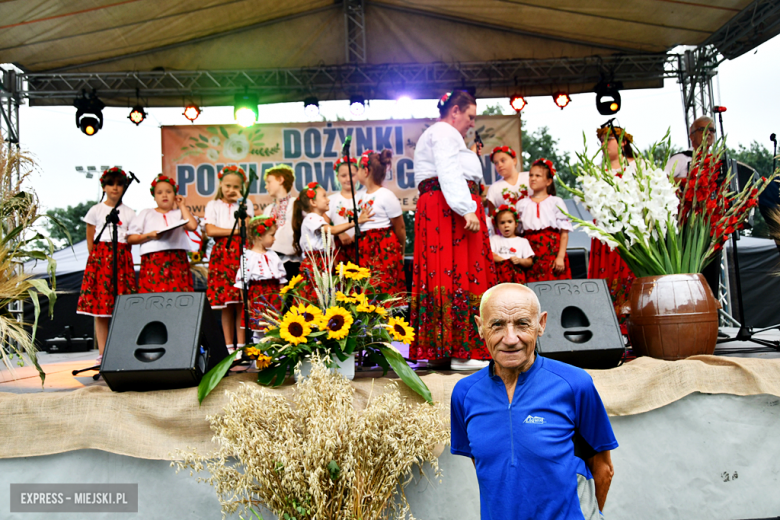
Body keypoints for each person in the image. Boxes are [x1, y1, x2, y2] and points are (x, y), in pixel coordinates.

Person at [451, 283, 618, 520]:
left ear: (541, 324)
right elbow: (487, 468)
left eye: (522, 324)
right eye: (497, 325)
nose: (510, 339)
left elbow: (604, 469)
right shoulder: (465, 394)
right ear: (480, 327)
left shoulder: (575, 384)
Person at [410, 90, 498, 371]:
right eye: (470, 116)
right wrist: (465, 208)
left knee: (441, 272)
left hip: (441, 206)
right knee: (459, 270)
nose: (472, 123)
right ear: (455, 110)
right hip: (448, 211)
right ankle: (461, 351)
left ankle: (442, 348)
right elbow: (448, 169)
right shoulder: (445, 131)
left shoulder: (442, 134)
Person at [76, 167, 137, 361]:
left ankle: (122, 350)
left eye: (120, 184)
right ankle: (102, 353)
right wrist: (95, 258)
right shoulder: (96, 210)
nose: (115, 188)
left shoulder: (129, 212)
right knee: (101, 310)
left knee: (122, 308)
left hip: (122, 258)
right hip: (101, 258)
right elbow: (90, 235)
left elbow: (132, 235)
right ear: (104, 186)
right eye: (111, 183)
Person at [665, 117, 721, 298]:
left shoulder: (717, 161)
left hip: (710, 227)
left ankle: (712, 316)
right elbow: (663, 181)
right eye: (704, 130)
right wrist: (691, 183)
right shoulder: (681, 158)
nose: (709, 134)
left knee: (711, 276)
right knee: (689, 274)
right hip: (687, 226)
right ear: (692, 135)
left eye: (712, 130)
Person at [291, 182, 372, 302]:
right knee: (315, 294)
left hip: (324, 261)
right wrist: (356, 221)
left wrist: (335, 267)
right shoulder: (311, 218)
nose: (327, 199)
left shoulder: (319, 219)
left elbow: (328, 247)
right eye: (323, 196)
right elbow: (332, 231)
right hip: (316, 263)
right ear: (313, 202)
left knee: (327, 295)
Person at [589, 126, 637, 330]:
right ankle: (607, 328)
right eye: (600, 141)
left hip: (630, 228)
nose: (603, 145)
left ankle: (631, 325)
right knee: (606, 274)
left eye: (607, 140)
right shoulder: (598, 170)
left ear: (623, 142)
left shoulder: (637, 166)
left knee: (629, 272)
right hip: (606, 229)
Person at [203, 165, 255, 352]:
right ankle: (228, 347)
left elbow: (248, 228)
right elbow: (211, 230)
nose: (231, 190)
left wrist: (241, 203)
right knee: (227, 303)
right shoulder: (213, 205)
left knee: (241, 301)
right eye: (228, 186)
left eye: (235, 187)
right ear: (221, 185)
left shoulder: (245, 204)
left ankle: (241, 346)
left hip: (241, 252)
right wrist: (233, 233)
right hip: (222, 253)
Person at [128, 174, 198, 293]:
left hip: (177, 258)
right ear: (154, 197)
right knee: (154, 294)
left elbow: (192, 226)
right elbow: (131, 238)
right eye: (159, 192)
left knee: (178, 293)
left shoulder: (179, 213)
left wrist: (182, 205)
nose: (164, 195)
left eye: (169, 192)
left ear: (175, 195)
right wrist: (150, 235)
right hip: (154, 260)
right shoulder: (146, 213)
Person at [355, 148, 406, 296]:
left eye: (358, 168)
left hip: (383, 246)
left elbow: (400, 227)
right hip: (364, 245)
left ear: (365, 171)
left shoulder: (386, 195)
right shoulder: (360, 196)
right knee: (367, 287)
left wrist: (400, 251)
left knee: (384, 284)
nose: (356, 172)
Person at [517, 158, 572, 282]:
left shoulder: (556, 202)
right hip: (530, 250)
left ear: (548, 181)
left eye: (538, 175)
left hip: (552, 251)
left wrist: (560, 257)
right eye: (531, 175)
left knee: (554, 285)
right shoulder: (522, 204)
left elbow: (564, 232)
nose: (533, 178)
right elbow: (518, 232)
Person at [234, 216, 285, 339]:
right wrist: (245, 300)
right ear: (260, 236)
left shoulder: (273, 255)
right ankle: (259, 352)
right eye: (272, 235)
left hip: (273, 293)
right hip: (258, 293)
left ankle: (275, 351)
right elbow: (242, 281)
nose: (274, 238)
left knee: (274, 324)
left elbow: (281, 277)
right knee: (259, 324)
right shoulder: (248, 256)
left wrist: (282, 294)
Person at [262, 164, 299, 279]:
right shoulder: (268, 209)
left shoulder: (296, 204)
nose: (266, 186)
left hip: (292, 262)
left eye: (269, 182)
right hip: (271, 262)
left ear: (280, 180)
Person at [327, 156, 364, 265]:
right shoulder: (330, 200)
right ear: (337, 177)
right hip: (340, 250)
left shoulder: (365, 197)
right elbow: (323, 225)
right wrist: (340, 233)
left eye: (352, 175)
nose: (348, 179)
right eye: (343, 176)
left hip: (362, 248)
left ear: (358, 175)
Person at [490, 205, 534, 284]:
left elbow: (529, 261)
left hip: (516, 276)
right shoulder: (494, 239)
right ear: (497, 226)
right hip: (500, 275)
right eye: (502, 223)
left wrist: (519, 260)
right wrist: (506, 261)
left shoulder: (523, 241)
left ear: (516, 224)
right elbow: (490, 255)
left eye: (510, 222)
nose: (506, 225)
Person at [486, 145, 532, 215]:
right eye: (496, 163)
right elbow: (492, 216)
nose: (500, 165)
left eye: (503, 160)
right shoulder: (494, 188)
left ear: (514, 161)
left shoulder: (529, 177)